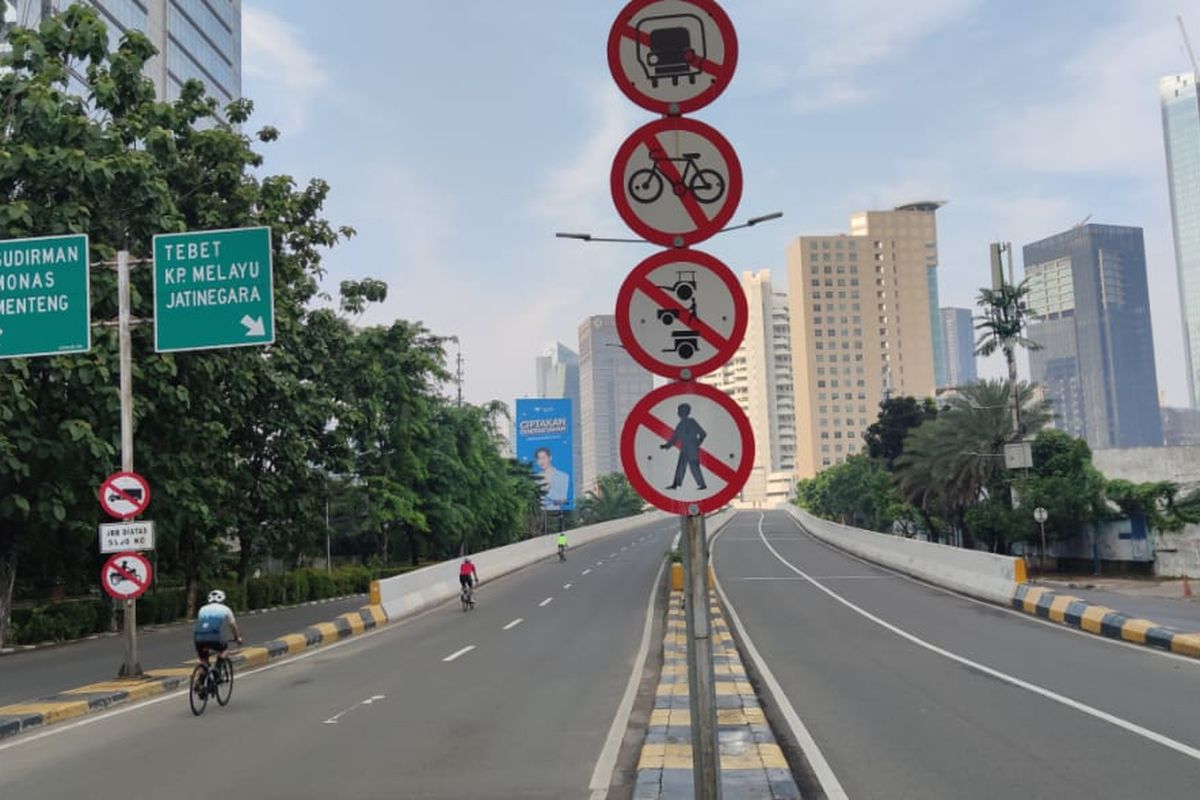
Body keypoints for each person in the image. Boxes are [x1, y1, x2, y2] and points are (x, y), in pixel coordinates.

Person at [661, 402, 707, 490]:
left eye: (680, 411)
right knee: (681, 466)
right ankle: (675, 484)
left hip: (692, 448)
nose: (678, 413)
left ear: (683, 412)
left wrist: (697, 443)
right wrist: (666, 446)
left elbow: (703, 433)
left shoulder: (691, 422)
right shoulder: (680, 424)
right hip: (685, 448)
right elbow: (674, 438)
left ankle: (702, 484)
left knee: (694, 466)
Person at [193, 589, 242, 666]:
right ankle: (218, 666)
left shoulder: (202, 609)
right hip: (213, 637)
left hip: (198, 637)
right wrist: (237, 637)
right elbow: (232, 626)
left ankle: (201, 677)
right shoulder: (226, 609)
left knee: (203, 660)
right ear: (222, 599)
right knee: (224, 650)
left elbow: (202, 624)